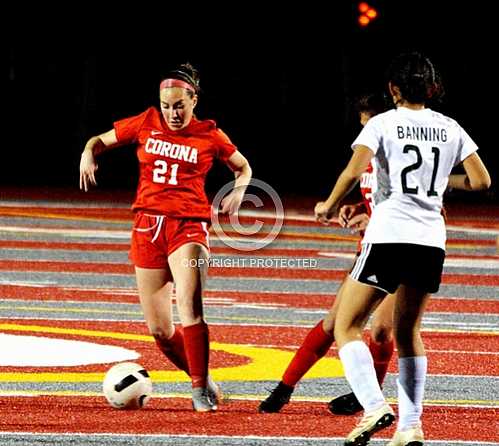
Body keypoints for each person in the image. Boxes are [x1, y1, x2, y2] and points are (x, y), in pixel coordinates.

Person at [315, 52, 490, 445]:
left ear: (393, 89)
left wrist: (328, 205)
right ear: (432, 88)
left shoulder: (382, 122)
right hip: (431, 240)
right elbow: (481, 181)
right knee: (409, 331)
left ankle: (375, 406)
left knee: (346, 325)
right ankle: (411, 426)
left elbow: (352, 169)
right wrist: (444, 183)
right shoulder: (450, 127)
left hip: (390, 233)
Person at [79, 63, 252, 412]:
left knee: (190, 306)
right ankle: (203, 377)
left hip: (188, 226)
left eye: (179, 105)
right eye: (167, 106)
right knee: (160, 329)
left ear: (194, 100)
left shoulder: (211, 135)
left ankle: (200, 391)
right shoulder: (146, 122)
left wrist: (238, 191)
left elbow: (243, 166)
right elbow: (99, 140)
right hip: (146, 227)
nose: (173, 113)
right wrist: (87, 152)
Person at [258, 93, 397, 415]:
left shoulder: (398, 157)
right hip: (374, 246)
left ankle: (373, 401)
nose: (362, 133)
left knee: (382, 329)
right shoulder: (372, 157)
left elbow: (424, 208)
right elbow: (378, 199)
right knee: (337, 320)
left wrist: (333, 204)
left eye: (367, 125)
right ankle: (284, 387)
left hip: (403, 248)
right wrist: (360, 209)